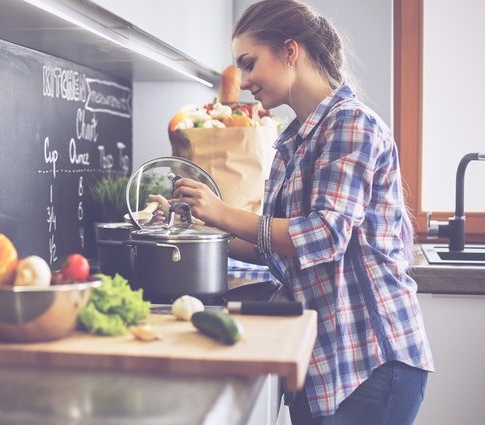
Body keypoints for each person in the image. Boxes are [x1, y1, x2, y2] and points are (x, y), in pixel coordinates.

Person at [167, 1, 434, 424]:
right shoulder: (294, 138)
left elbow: (323, 235)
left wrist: (221, 211)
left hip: (371, 363)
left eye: (250, 63)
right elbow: (274, 245)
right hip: (323, 357)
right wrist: (194, 226)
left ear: (290, 51)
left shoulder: (351, 125)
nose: (246, 80)